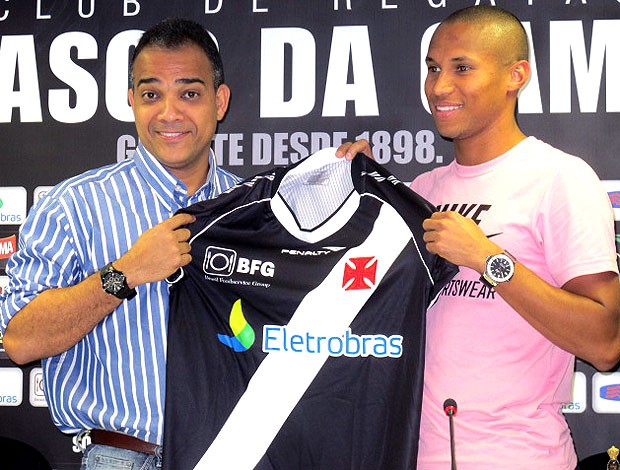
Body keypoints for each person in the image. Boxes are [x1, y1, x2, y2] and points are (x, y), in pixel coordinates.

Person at [339, 5, 620, 469]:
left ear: (516, 75)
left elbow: (606, 344)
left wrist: (489, 259)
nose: (439, 86)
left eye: (461, 68)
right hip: (411, 454)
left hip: (518, 456)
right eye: (432, 68)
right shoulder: (422, 191)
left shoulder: (561, 179)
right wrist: (363, 193)